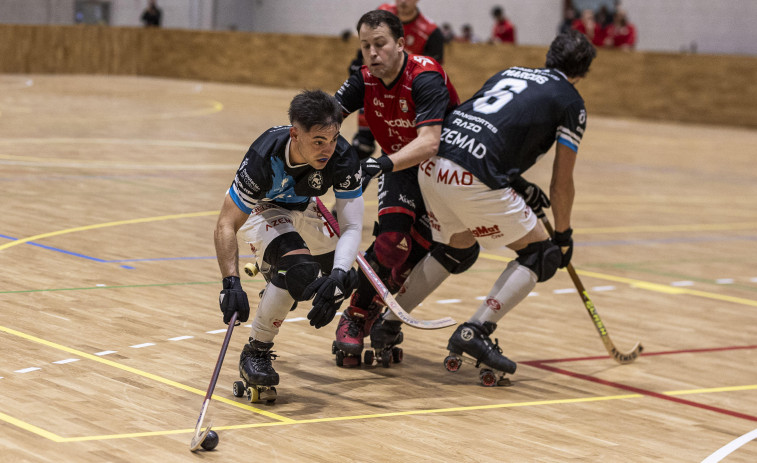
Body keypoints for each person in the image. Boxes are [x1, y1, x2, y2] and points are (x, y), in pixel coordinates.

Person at [375, 29, 597, 378]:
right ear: (582, 74)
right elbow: (561, 181)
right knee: (542, 254)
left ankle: (385, 323)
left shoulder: (509, 72)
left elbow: (474, 124)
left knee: (456, 248)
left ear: (549, 56)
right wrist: (564, 235)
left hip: (433, 165)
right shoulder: (571, 101)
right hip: (472, 177)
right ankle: (475, 330)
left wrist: (514, 182)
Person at [214, 90, 364, 399]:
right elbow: (226, 224)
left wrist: (336, 277)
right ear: (295, 134)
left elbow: (352, 226)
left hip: (304, 206)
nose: (327, 150)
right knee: (298, 269)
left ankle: (277, 277)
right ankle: (255, 351)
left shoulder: (344, 157)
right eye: (318, 141)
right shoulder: (264, 156)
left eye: (333, 139)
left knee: (346, 275)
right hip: (264, 206)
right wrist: (230, 283)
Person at [332, 9, 460, 366]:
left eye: (380, 44)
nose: (372, 53)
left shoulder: (425, 76)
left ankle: (382, 312)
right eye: (365, 45)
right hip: (400, 165)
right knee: (390, 245)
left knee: (415, 252)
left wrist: (377, 163)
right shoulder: (362, 79)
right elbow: (326, 117)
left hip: (440, 169)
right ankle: (356, 316)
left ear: (401, 44)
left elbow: (430, 142)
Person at [348, 0, 445, 161]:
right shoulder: (382, 14)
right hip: (376, 90)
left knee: (407, 149)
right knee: (362, 145)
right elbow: (366, 49)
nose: (403, 1)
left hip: (406, 98)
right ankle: (353, 184)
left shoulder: (430, 31)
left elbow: (432, 73)